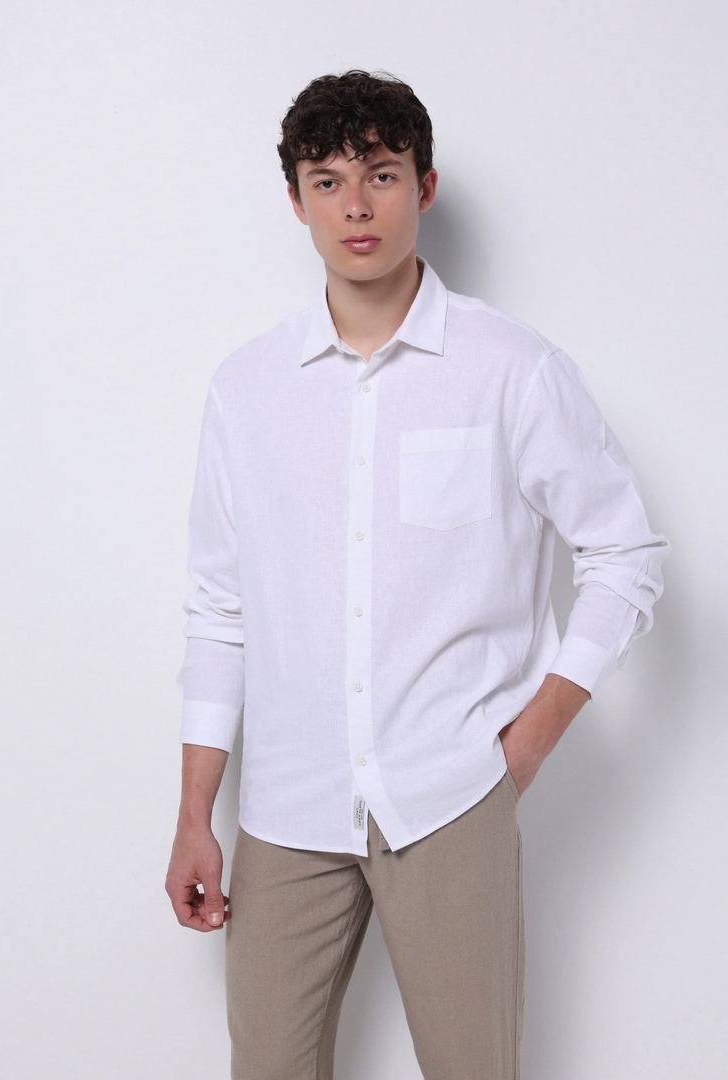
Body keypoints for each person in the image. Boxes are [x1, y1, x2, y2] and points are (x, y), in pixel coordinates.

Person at [165, 70, 670, 1080]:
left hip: (450, 793)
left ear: (423, 187)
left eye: (382, 174)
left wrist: (525, 744)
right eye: (327, 181)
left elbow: (625, 556)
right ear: (296, 201)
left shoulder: (510, 369)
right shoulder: (246, 390)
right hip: (286, 805)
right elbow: (219, 608)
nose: (356, 206)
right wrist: (193, 816)